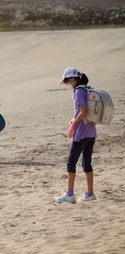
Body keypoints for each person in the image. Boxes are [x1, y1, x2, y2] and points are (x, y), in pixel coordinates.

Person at [54, 67, 97, 203]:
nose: (67, 83)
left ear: (72, 79)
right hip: (91, 131)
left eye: (67, 81)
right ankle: (90, 194)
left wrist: (74, 123)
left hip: (82, 132)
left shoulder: (79, 91)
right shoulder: (87, 89)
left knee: (71, 162)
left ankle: (70, 194)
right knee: (86, 163)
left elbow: (83, 111)